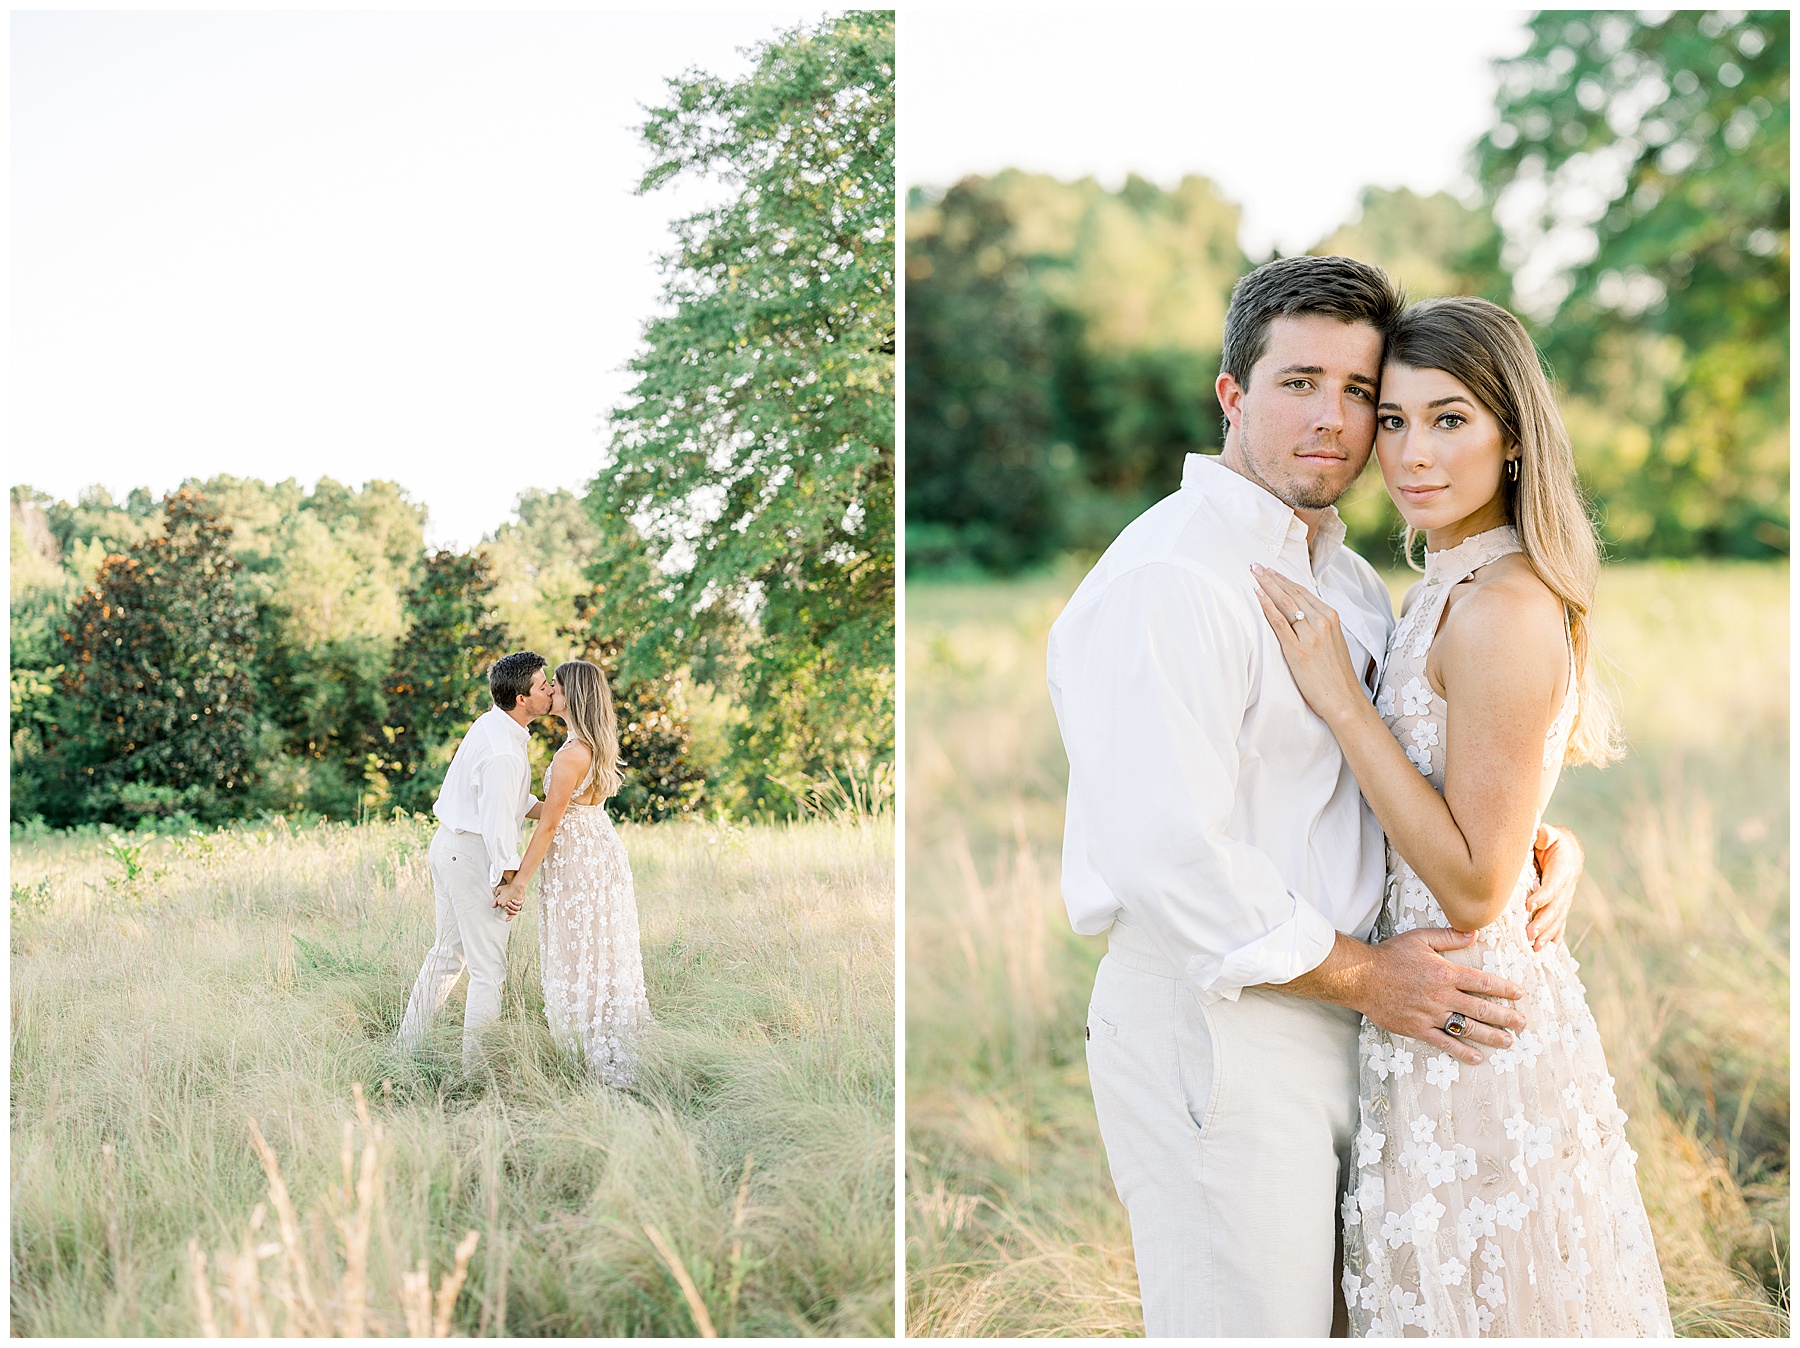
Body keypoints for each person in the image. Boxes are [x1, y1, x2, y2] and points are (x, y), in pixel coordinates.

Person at [1045, 255, 1587, 1337]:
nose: (1334, 420)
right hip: (1225, 1022)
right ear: (1232, 394)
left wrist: (1530, 834)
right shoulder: (1173, 577)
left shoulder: (1344, 577)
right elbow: (1170, 860)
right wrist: (1372, 978)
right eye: (1299, 383)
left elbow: (1399, 775)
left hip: (1365, 1024)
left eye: (1359, 392)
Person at [1251, 296, 1671, 1336]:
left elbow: (1478, 886)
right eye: (1393, 420)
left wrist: (1342, 701)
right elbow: (1473, 794)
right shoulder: (1445, 586)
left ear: (1512, 437)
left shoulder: (1503, 605)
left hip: (1476, 1025)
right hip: (1424, 1007)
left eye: (1450, 420)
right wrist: (1545, 837)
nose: (1412, 453)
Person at [493, 659, 649, 1088]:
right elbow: (563, 809)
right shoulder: (592, 746)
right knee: (601, 951)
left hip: (577, 861)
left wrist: (518, 883)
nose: (549, 692)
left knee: (579, 952)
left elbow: (551, 825)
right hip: (599, 849)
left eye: (556, 687)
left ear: (573, 696)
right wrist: (516, 804)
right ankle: (607, 1042)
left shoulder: (570, 754)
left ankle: (591, 1052)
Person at [396, 651, 552, 1070]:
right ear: (522, 698)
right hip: (471, 856)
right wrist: (509, 882)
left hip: (450, 846)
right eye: (543, 686)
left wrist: (559, 809)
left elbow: (509, 800)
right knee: (488, 971)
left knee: (445, 958)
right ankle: (477, 1070)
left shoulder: (493, 725)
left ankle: (405, 1051)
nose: (551, 690)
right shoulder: (504, 752)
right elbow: (499, 825)